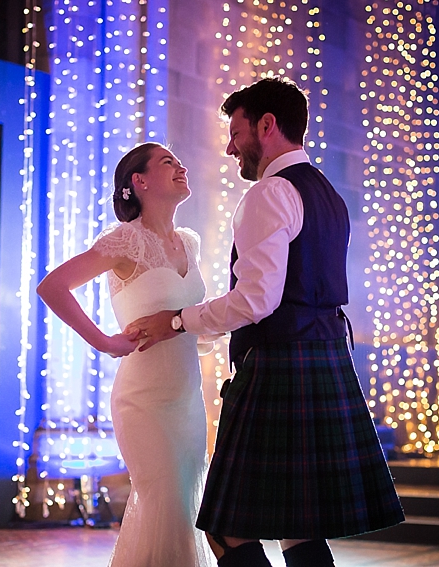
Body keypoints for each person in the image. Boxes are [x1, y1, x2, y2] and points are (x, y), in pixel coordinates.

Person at [125, 77, 405, 567]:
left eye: (237, 132)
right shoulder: (328, 195)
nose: (231, 147)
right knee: (298, 529)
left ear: (267, 126)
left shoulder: (269, 193)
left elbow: (256, 300)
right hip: (324, 359)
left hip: (278, 365)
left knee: (228, 532)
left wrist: (177, 321)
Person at [37, 142, 214, 567]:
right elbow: (52, 287)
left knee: (188, 508)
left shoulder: (189, 243)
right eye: (169, 161)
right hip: (144, 400)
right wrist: (105, 342)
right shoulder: (125, 241)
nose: (181, 166)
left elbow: (191, 317)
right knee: (166, 504)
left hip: (189, 400)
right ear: (140, 181)